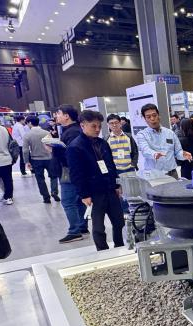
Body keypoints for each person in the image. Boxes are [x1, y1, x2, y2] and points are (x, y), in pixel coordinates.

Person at [67, 110, 125, 251]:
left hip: (110, 188)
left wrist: (116, 184)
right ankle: (103, 251)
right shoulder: (75, 147)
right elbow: (76, 174)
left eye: (99, 126)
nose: (97, 129)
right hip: (93, 193)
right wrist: (84, 194)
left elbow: (111, 165)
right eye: (93, 126)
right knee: (98, 227)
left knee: (119, 221)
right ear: (83, 125)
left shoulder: (102, 143)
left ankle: (120, 246)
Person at [54, 104, 89, 243]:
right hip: (73, 171)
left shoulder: (72, 132)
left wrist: (53, 150)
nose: (56, 116)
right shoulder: (71, 130)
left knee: (68, 202)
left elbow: (71, 156)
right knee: (79, 201)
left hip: (69, 172)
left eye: (58, 113)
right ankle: (82, 226)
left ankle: (74, 231)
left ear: (66, 116)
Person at [135, 103, 193, 178]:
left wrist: (183, 155)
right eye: (148, 117)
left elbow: (178, 151)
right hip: (154, 175)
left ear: (159, 116)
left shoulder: (170, 133)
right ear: (144, 119)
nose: (152, 119)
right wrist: (154, 154)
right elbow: (145, 150)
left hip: (172, 173)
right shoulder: (142, 135)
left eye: (154, 115)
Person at [23, 116, 59, 203]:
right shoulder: (46, 132)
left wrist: (26, 161)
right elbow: (53, 145)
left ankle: (46, 197)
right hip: (49, 158)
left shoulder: (27, 135)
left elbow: (25, 150)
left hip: (36, 159)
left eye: (27, 123)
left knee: (40, 179)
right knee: (53, 176)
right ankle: (54, 192)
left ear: (30, 123)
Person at [0, 124, 13, 205]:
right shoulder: (4, 129)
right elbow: (11, 143)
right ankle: (8, 197)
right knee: (7, 180)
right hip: (6, 159)